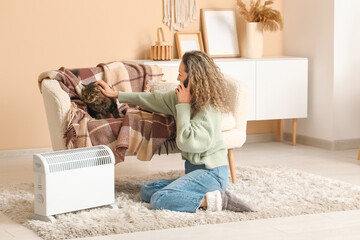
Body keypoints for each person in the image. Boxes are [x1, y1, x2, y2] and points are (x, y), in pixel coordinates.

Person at [96, 51, 255, 213]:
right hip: (195, 172)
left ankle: (220, 200)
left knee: (160, 199)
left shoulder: (207, 110)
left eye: (180, 74)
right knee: (147, 191)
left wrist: (183, 107)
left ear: (193, 78)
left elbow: (186, 142)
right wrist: (117, 95)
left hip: (212, 175)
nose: (178, 79)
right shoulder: (183, 97)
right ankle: (198, 194)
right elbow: (153, 99)